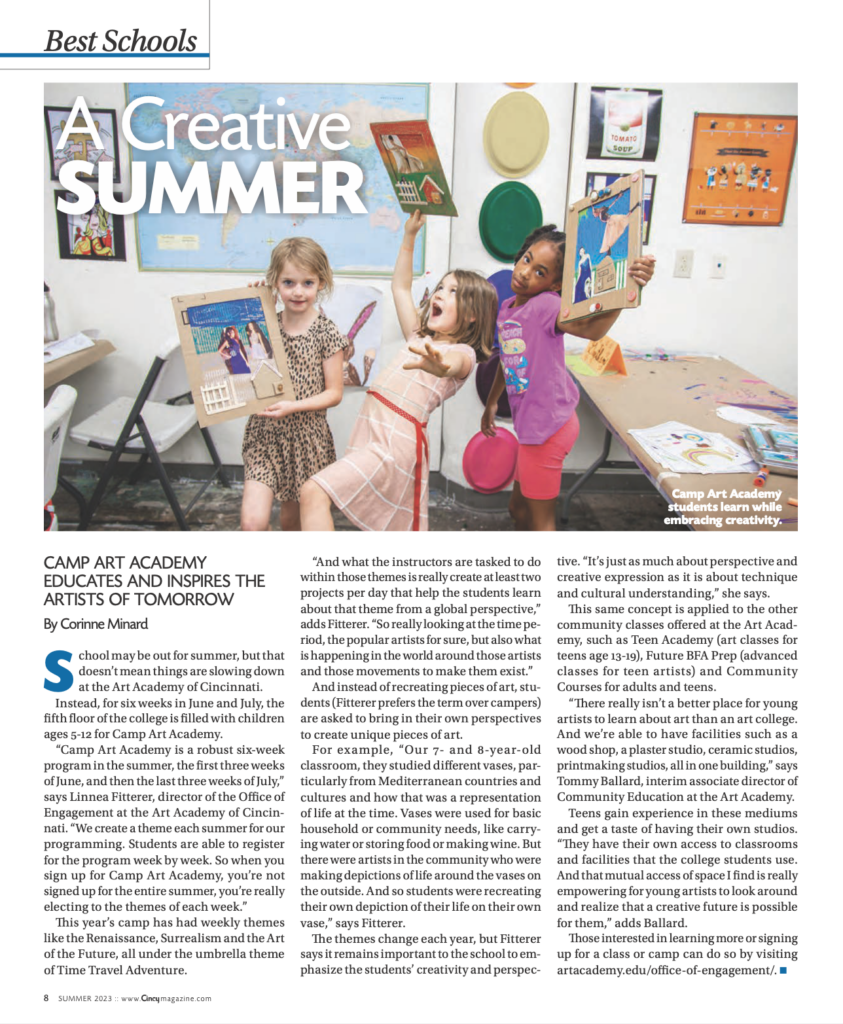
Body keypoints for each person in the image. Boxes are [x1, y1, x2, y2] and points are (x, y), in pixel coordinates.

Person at [299, 211, 496, 532]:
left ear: (473, 314)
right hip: (374, 427)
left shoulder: (462, 354)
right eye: (440, 288)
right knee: (381, 523)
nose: (439, 294)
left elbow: (454, 366)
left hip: (396, 441)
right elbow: (401, 288)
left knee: (314, 490)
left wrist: (439, 365)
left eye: (453, 292)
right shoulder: (418, 337)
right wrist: (409, 237)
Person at [481, 224, 656, 532]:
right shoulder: (508, 308)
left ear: (553, 284)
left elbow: (592, 330)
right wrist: (492, 402)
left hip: (548, 429)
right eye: (527, 260)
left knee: (540, 523)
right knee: (518, 510)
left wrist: (628, 287)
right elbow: (507, 361)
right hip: (533, 426)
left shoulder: (546, 306)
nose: (525, 272)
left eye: (540, 272)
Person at [240, 238, 347, 532]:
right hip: (265, 436)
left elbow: (334, 393)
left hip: (307, 440)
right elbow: (246, 373)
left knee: (292, 523)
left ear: (321, 283)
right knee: (252, 523)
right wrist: (254, 316)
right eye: (288, 282)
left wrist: (292, 407)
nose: (298, 291)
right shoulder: (265, 326)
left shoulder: (327, 332)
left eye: (307, 283)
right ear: (274, 282)